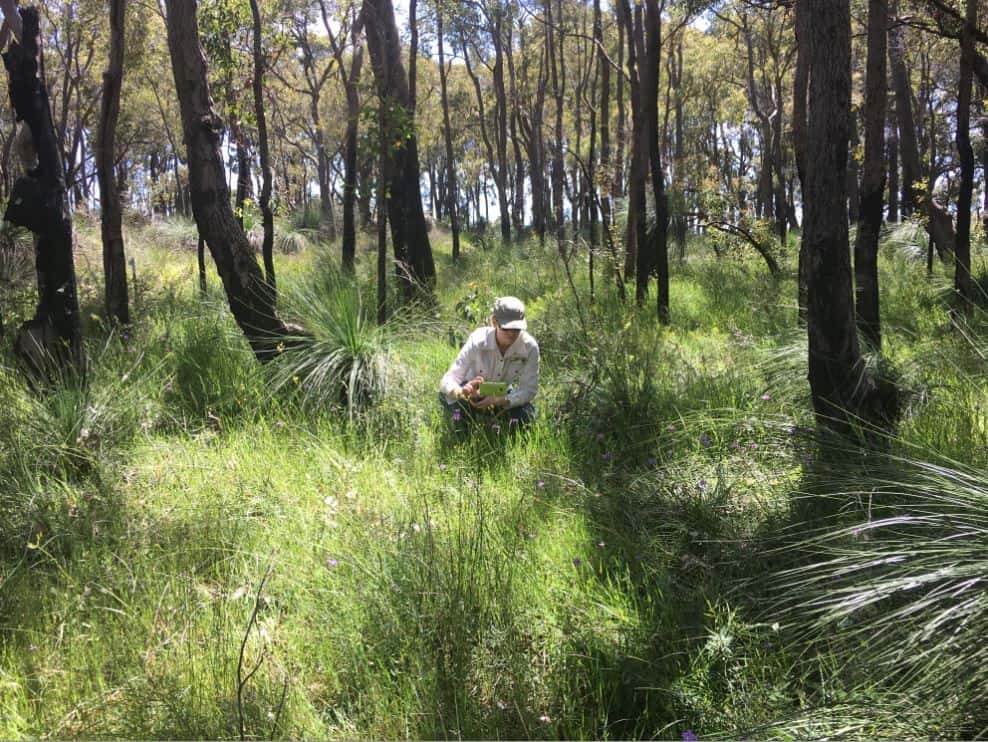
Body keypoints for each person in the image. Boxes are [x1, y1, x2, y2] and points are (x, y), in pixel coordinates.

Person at [439, 296, 540, 433]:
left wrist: (501, 400)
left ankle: (503, 429)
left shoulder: (529, 347)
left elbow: (529, 390)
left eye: (516, 329)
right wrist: (461, 392)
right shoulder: (478, 340)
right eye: (506, 328)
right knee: (459, 419)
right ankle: (459, 428)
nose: (511, 334)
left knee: (526, 416)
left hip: (501, 394)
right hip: (469, 392)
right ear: (494, 322)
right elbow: (448, 380)